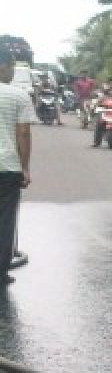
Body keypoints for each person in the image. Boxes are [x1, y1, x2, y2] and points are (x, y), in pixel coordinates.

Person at [0, 48, 33, 286]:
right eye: (11, 67)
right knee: (5, 219)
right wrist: (25, 168)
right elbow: (23, 133)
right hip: (8, 167)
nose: (13, 72)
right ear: (3, 66)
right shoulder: (18, 96)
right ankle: (1, 271)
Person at [92, 78, 112, 148]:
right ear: (108, 85)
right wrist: (97, 103)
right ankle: (97, 142)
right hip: (105, 110)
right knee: (98, 123)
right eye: (111, 83)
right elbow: (99, 100)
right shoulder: (104, 92)